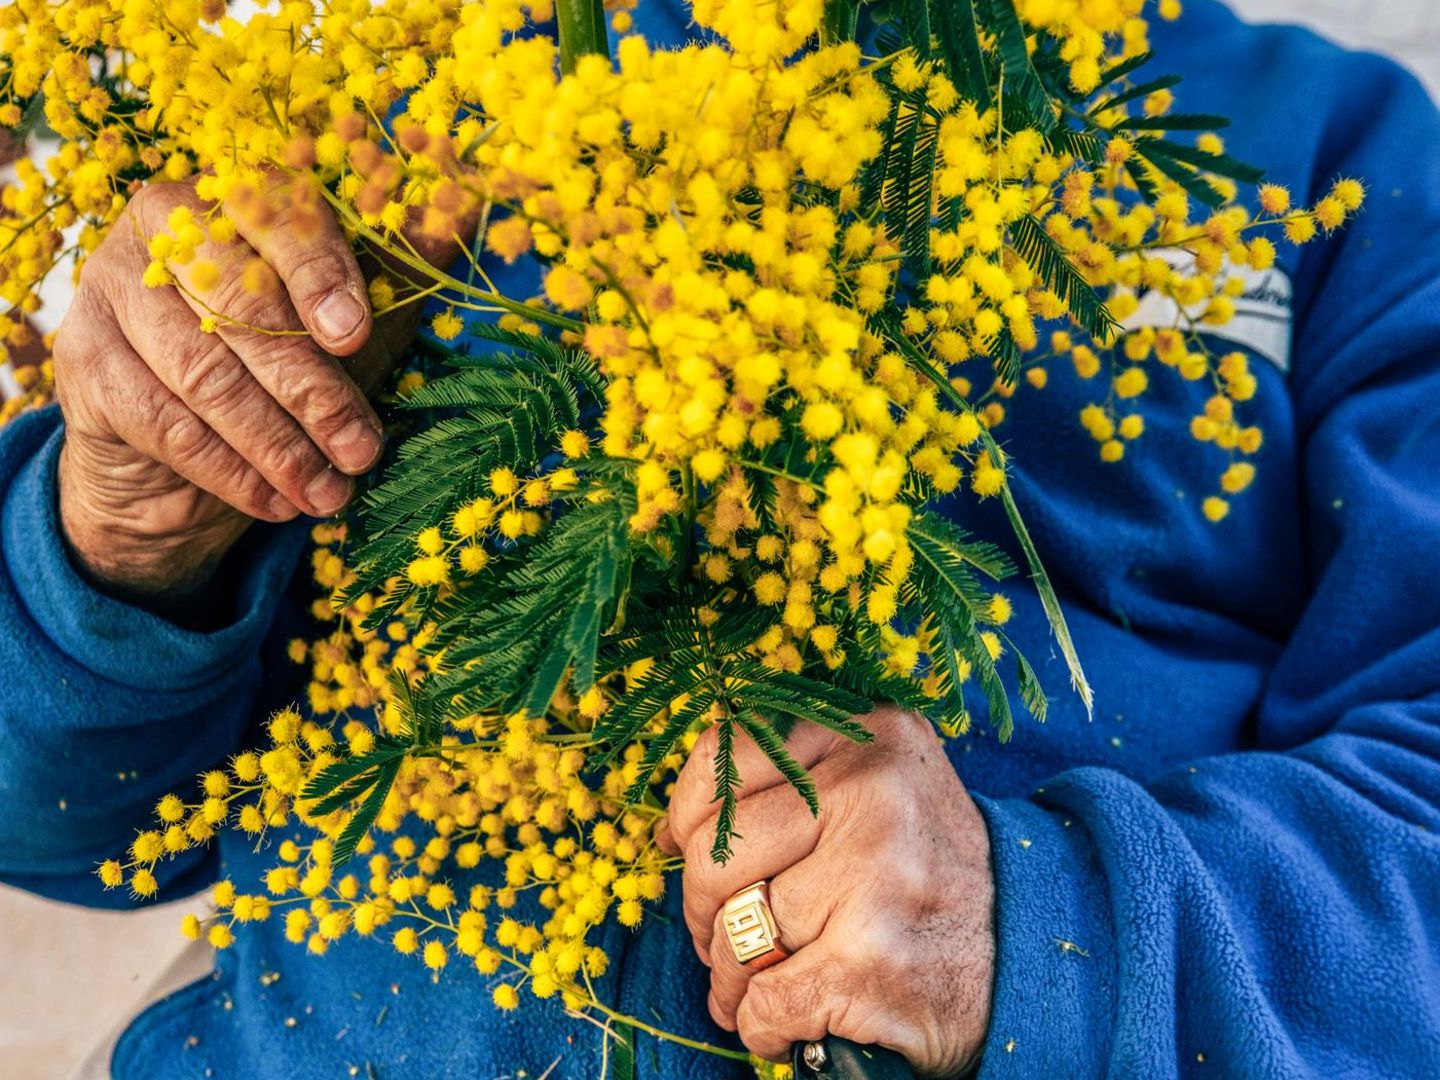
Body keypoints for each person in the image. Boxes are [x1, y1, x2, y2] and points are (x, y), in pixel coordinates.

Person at [2, 1, 1438, 1077]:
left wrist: (1050, 931)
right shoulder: (423, 104)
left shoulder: (1336, 166)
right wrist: (127, 535)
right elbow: (58, 827)